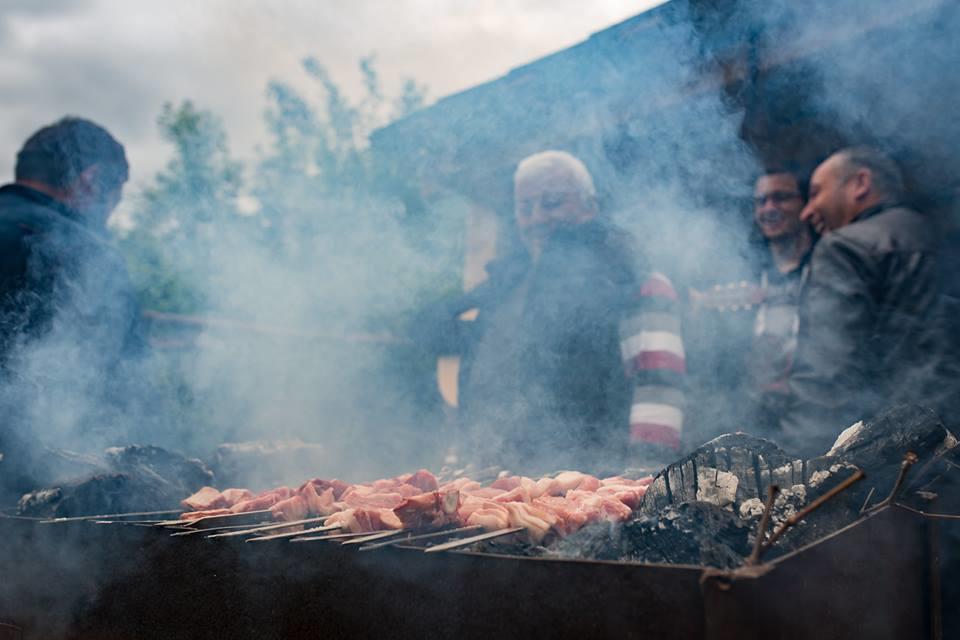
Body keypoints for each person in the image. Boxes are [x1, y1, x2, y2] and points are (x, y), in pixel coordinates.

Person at [434, 150, 685, 475]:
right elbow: (484, 385)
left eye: (552, 202)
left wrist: (642, 485)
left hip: (595, 491)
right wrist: (462, 465)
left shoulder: (636, 279)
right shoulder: (504, 291)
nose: (537, 217)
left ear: (589, 206)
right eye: (525, 207)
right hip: (503, 492)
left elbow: (658, 387)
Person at [0, 117, 144, 502]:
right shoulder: (89, 256)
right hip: (31, 503)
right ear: (92, 181)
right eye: (114, 201)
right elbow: (128, 392)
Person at [781, 146, 942, 456]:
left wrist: (797, 466)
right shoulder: (933, 238)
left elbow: (826, 376)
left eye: (816, 193)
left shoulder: (844, 248)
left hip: (893, 458)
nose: (807, 211)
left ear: (860, 184)